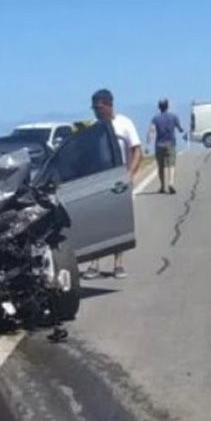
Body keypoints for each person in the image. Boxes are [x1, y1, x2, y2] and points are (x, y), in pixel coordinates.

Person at [82, 88, 142, 279]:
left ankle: (118, 264)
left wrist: (130, 174)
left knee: (119, 223)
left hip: (119, 179)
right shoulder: (94, 127)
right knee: (96, 222)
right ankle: (95, 263)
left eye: (99, 108)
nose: (96, 112)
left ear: (109, 105)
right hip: (98, 180)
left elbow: (137, 150)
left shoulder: (124, 124)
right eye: (94, 109)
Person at [148, 98, 184, 194]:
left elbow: (151, 130)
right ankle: (171, 183)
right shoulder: (174, 116)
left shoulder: (155, 118)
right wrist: (181, 130)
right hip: (170, 143)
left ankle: (162, 186)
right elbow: (180, 128)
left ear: (159, 107)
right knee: (171, 164)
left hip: (159, 144)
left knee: (161, 166)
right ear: (168, 106)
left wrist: (148, 140)